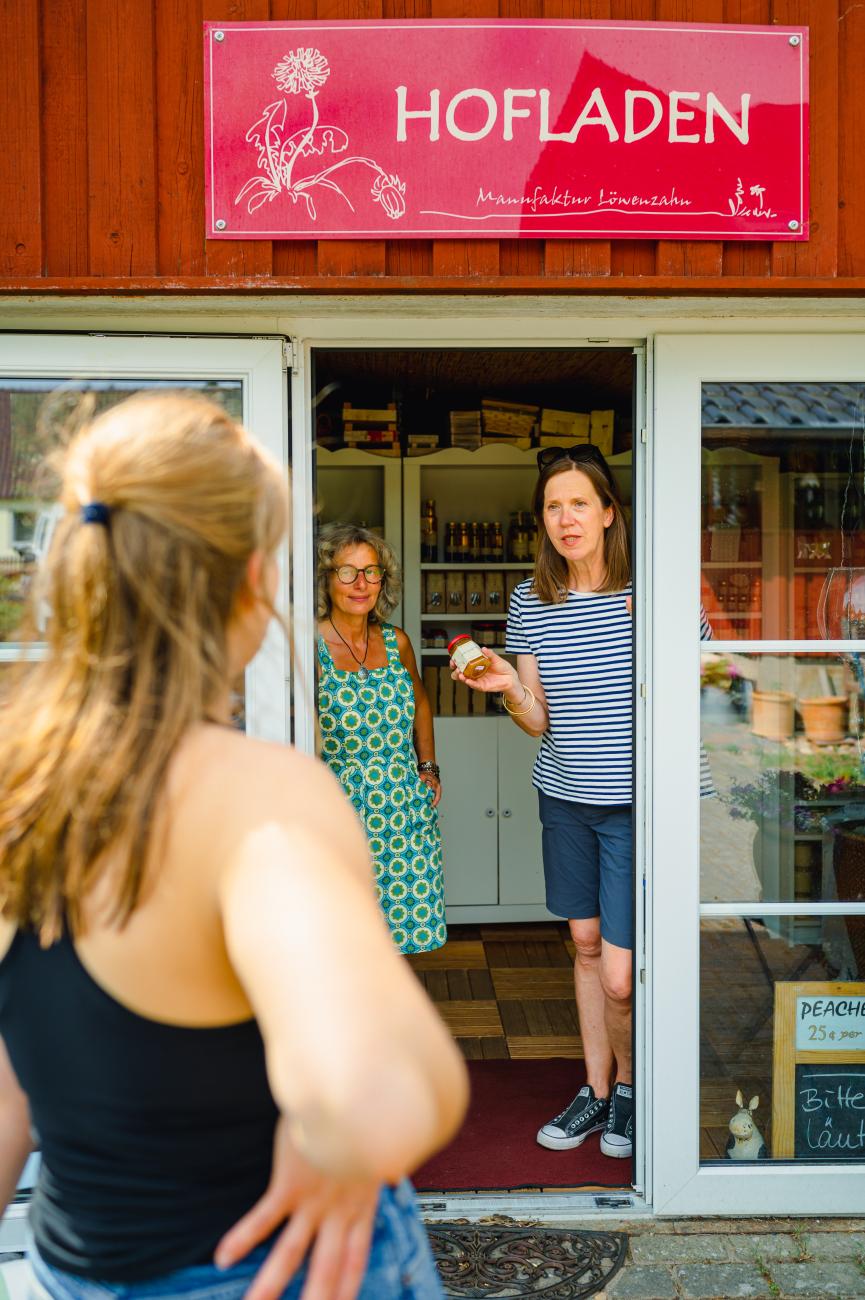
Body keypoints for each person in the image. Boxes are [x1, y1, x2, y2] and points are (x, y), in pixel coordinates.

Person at [0, 393, 468, 1300]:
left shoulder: (19, 784)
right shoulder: (263, 795)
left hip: (74, 1269)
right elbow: (386, 1090)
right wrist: (318, 1122)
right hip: (277, 1270)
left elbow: (11, 1093)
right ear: (254, 581)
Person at [452, 443, 635, 1160]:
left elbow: (703, 684)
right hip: (563, 797)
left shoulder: (643, 592)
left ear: (607, 512)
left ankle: (632, 1091)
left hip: (629, 805)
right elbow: (539, 719)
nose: (565, 519)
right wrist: (506, 688)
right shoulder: (531, 600)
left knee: (620, 974)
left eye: (578, 504)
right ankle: (597, 1093)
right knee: (585, 948)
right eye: (552, 507)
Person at [316, 524, 446, 956]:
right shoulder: (308, 644)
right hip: (340, 812)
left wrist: (427, 768)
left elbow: (421, 704)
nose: (361, 584)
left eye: (372, 573)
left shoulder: (397, 642)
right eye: (348, 572)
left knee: (397, 941)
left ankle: (390, 1024)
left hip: (402, 809)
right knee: (343, 938)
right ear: (325, 578)